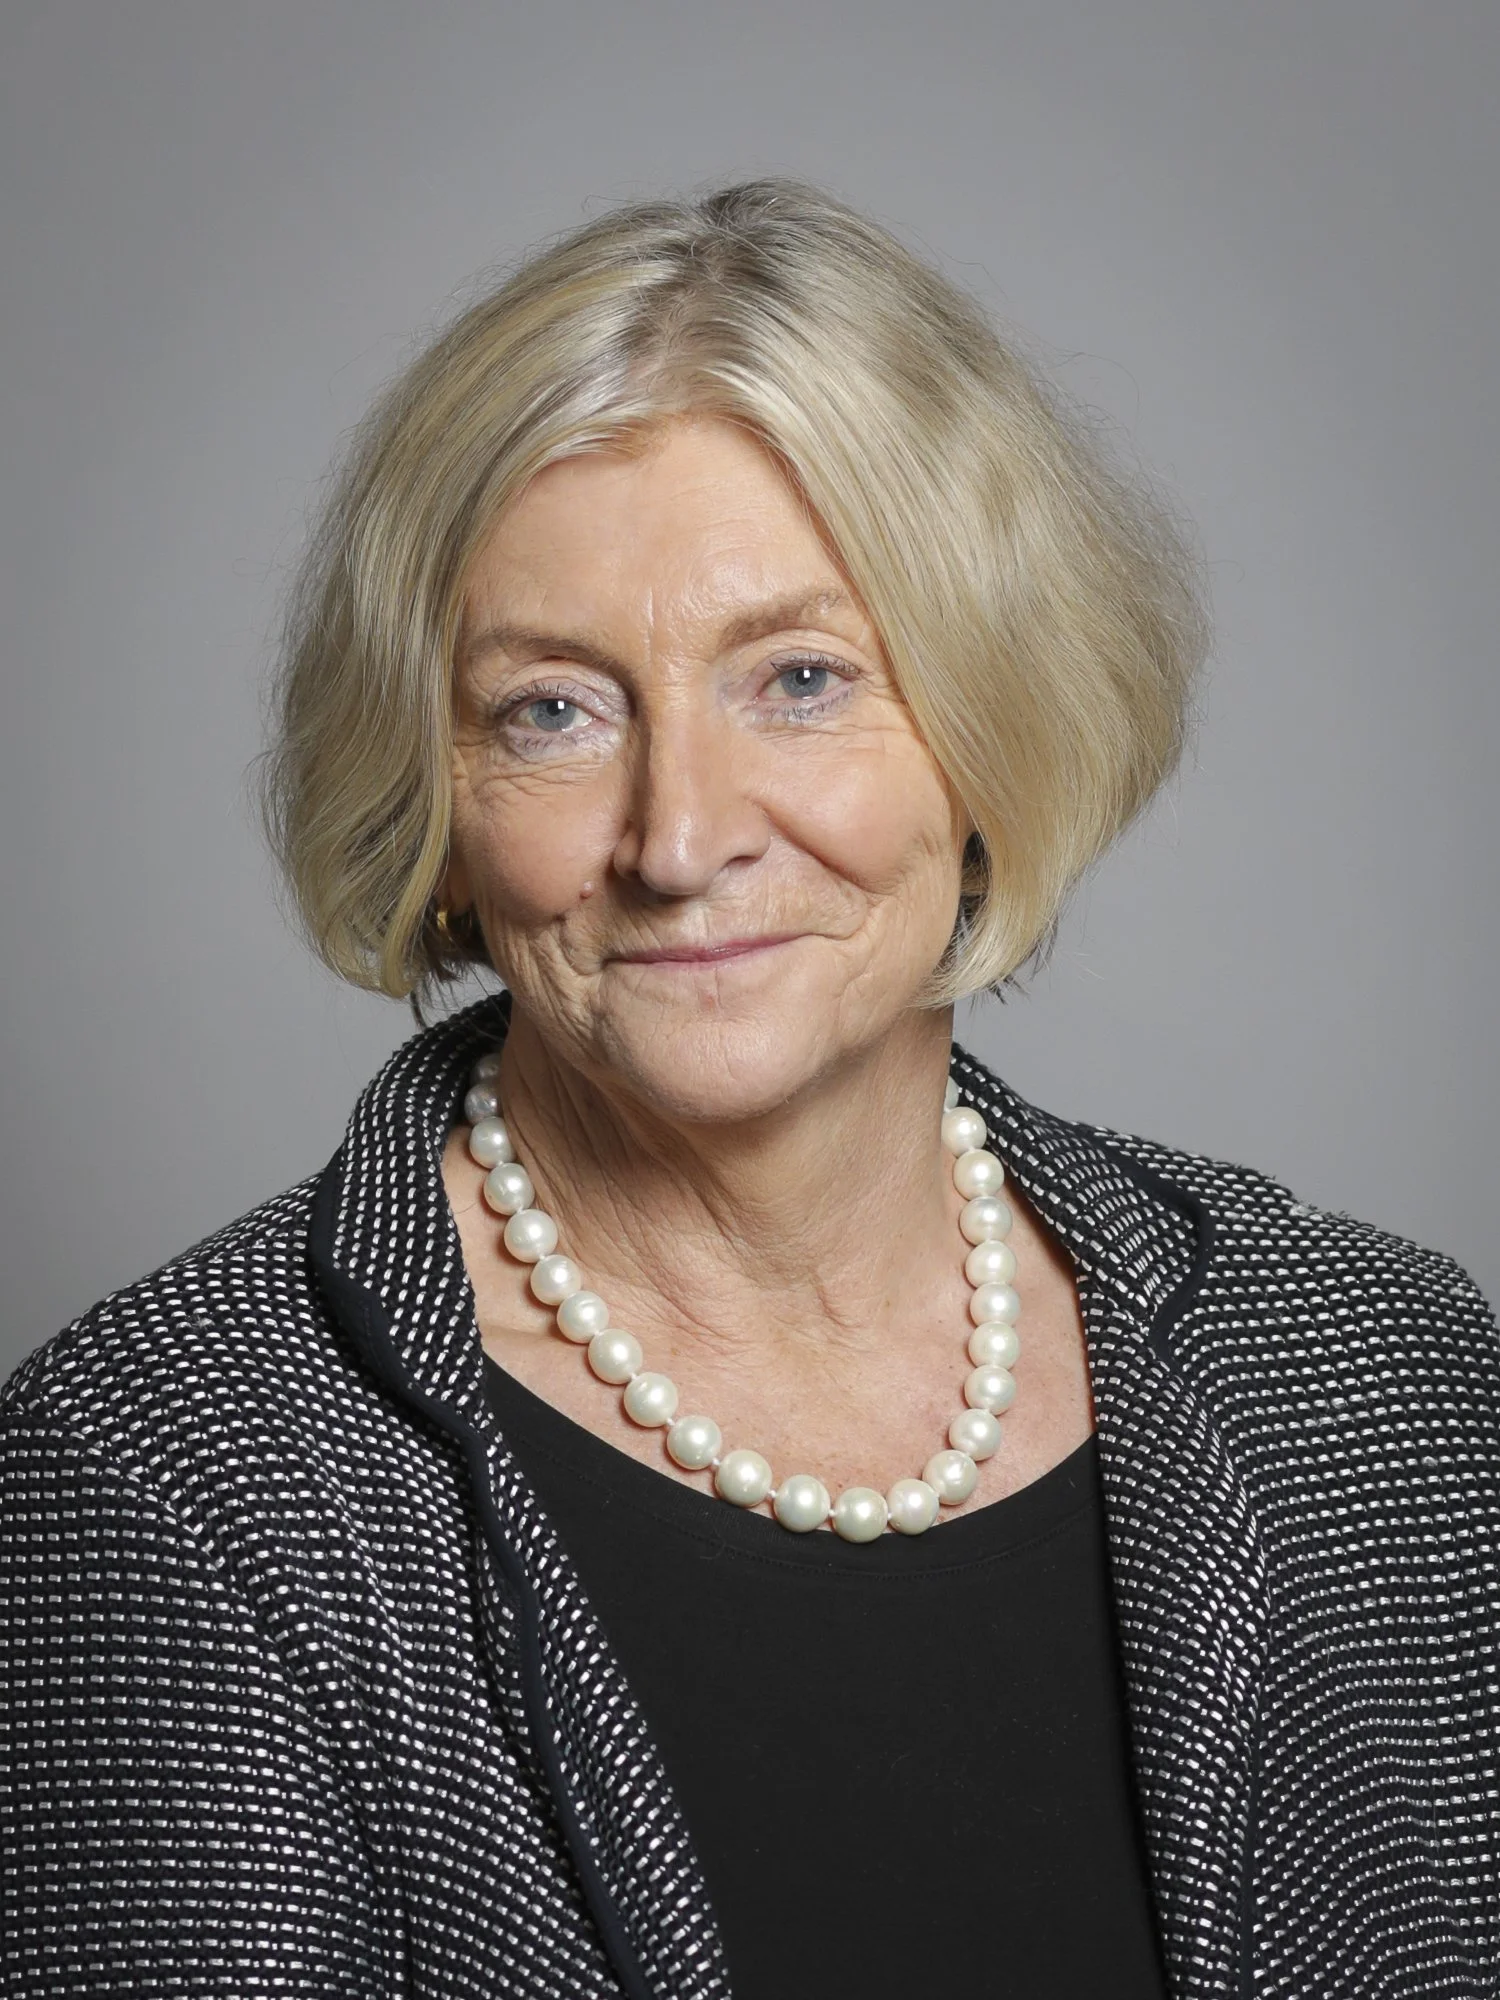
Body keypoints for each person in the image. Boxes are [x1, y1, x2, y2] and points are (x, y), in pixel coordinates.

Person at [2, 177, 1496, 2000]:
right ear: (439, 810)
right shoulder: (166, 1478)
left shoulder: (1383, 1381)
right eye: (554, 709)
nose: (683, 837)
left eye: (800, 679)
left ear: (990, 733)